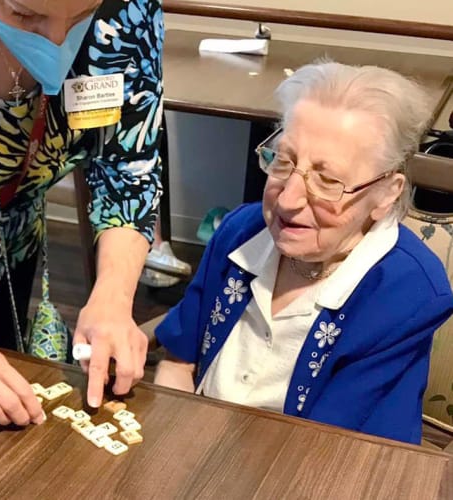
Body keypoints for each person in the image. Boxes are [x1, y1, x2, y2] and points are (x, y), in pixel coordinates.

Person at [154, 61, 453, 444]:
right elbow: (179, 360)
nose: (289, 199)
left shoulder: (405, 292)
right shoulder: (240, 233)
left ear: (386, 193)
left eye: (327, 180)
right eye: (283, 161)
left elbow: (331, 447)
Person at [0, 0, 163, 438]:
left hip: (5, 262)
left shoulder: (126, 11)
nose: (57, 39)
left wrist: (113, 293)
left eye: (83, 14)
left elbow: (127, 164)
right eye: (25, 15)